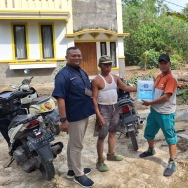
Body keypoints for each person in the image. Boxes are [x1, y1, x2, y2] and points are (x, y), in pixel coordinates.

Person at [52, 46, 95, 188]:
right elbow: (60, 99)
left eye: (79, 56)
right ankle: (79, 174)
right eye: (73, 56)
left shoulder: (81, 71)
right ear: (66, 58)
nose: (77, 58)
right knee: (77, 145)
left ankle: (72, 169)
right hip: (74, 116)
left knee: (73, 142)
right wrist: (63, 120)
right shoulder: (63, 75)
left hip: (84, 113)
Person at [91, 55, 137, 172]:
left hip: (115, 108)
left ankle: (111, 155)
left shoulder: (115, 78)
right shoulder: (97, 80)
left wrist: (141, 87)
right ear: (99, 66)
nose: (108, 67)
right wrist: (98, 115)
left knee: (113, 132)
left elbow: (125, 87)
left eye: (110, 64)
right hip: (103, 109)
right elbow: (94, 99)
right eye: (105, 65)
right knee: (102, 136)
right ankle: (100, 161)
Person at [139, 54, 178, 177]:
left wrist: (150, 102)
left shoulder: (171, 78)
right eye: (161, 63)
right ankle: (151, 150)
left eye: (165, 63)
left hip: (166, 113)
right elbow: (152, 91)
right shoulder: (159, 76)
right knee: (148, 133)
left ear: (169, 64)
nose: (162, 65)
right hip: (155, 111)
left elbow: (166, 97)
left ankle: (172, 162)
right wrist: (141, 91)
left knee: (170, 138)